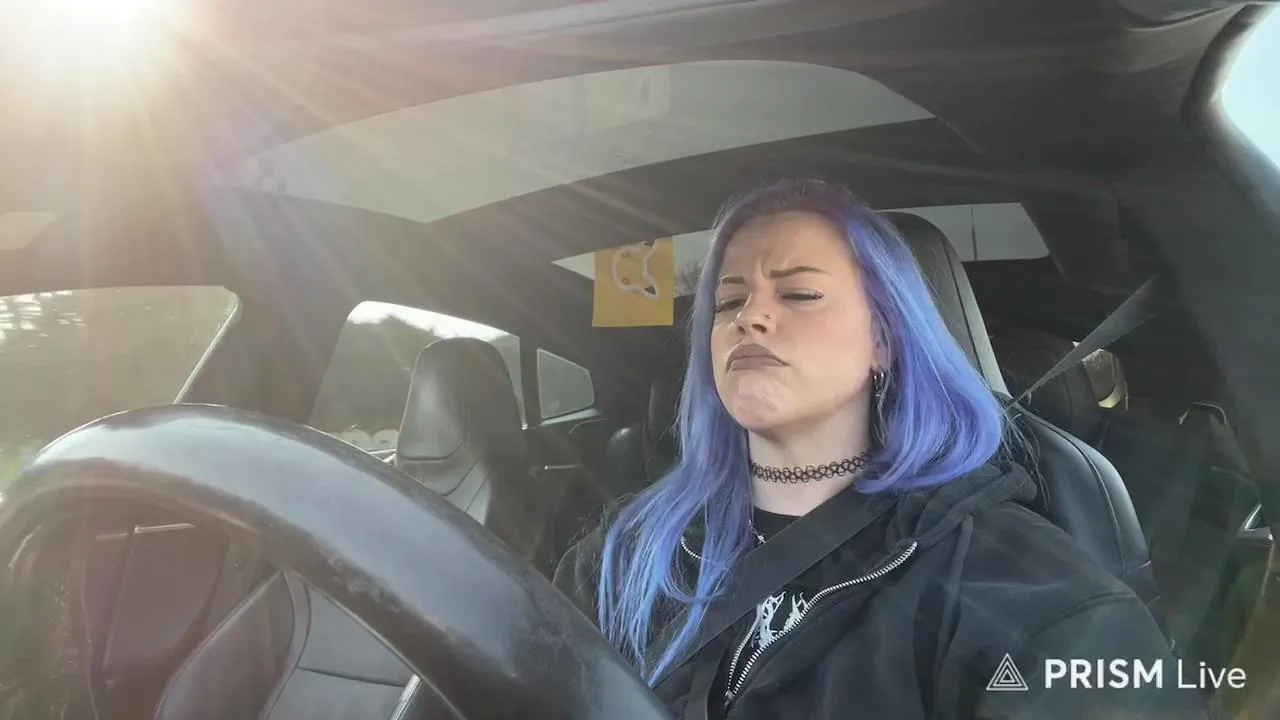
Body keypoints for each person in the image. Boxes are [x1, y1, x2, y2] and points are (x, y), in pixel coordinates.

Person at [553, 179, 1210, 719]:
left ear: (883, 342)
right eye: (728, 302)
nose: (750, 317)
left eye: (799, 293)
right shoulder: (627, 555)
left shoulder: (1012, 587)